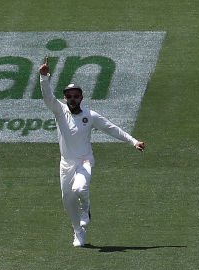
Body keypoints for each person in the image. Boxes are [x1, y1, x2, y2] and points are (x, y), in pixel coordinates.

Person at [38, 58, 145, 247]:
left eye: (76, 96)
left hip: (85, 161)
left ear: (81, 97)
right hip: (66, 163)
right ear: (65, 98)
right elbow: (48, 97)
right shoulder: (59, 111)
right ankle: (78, 232)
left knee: (80, 188)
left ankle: (86, 209)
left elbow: (112, 128)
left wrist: (133, 141)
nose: (72, 99)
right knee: (67, 201)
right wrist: (43, 76)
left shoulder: (90, 115)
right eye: (69, 96)